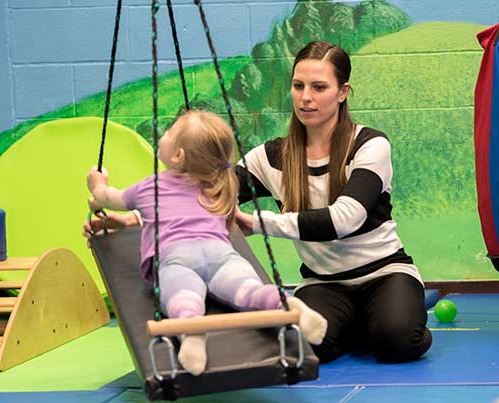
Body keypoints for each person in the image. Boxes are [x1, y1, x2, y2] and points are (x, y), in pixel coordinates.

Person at [86, 41, 431, 364]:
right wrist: (132, 219)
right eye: (298, 86)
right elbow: (197, 198)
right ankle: (358, 324)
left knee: (396, 341)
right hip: (324, 282)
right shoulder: (270, 156)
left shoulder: (370, 145)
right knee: (306, 346)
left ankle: (380, 320)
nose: (305, 98)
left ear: (343, 92)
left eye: (319, 87)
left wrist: (260, 223)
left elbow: (345, 219)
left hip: (385, 272)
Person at [85, 110, 326, 376]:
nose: (163, 135)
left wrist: (97, 185)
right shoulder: (221, 186)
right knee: (248, 289)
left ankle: (192, 332)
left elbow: (108, 197)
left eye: (169, 133)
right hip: (220, 254)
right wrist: (125, 221)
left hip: (177, 257)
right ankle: (290, 306)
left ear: (178, 155)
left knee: (183, 295)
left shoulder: (150, 186)